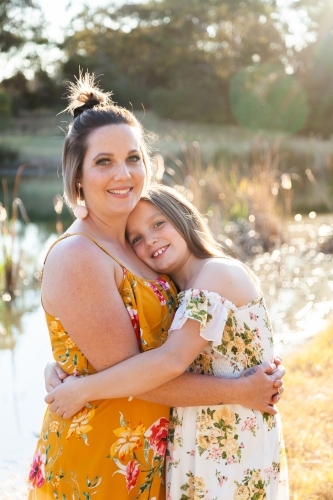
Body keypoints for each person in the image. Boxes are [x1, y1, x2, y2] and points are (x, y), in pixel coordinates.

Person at [29, 71, 284, 500]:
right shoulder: (79, 255)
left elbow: (191, 333)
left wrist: (259, 363)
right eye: (103, 161)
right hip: (102, 458)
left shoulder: (138, 242)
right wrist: (241, 391)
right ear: (77, 177)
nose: (123, 173)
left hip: (158, 451)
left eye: (133, 158)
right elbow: (145, 375)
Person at [44, 184, 288, 498]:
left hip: (232, 440)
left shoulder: (217, 274)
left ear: (183, 216)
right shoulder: (176, 292)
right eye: (137, 239)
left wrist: (82, 389)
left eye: (158, 224)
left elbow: (171, 360)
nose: (151, 240)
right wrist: (63, 365)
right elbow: (136, 351)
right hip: (195, 440)